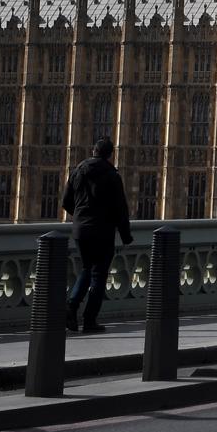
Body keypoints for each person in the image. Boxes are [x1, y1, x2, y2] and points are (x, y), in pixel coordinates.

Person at [61, 137, 133, 333]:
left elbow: (66, 201)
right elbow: (121, 210)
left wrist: (79, 217)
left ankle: (71, 307)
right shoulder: (112, 175)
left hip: (80, 230)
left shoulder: (77, 171)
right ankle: (89, 320)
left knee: (86, 269)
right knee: (99, 275)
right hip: (102, 231)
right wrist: (126, 236)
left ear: (93, 151)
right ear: (110, 154)